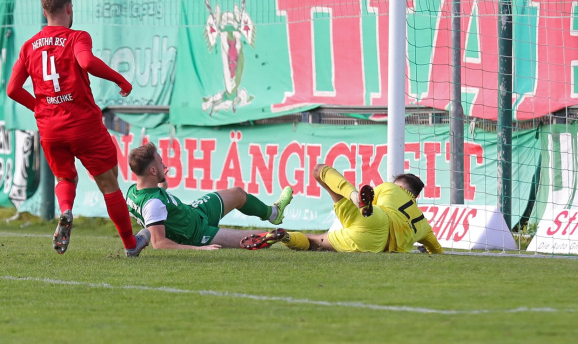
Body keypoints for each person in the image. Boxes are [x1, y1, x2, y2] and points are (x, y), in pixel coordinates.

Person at [6, 0, 150, 257]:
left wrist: (39, 107)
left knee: (64, 175)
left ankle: (66, 211)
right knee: (108, 183)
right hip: (83, 124)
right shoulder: (76, 37)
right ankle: (131, 245)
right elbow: (85, 62)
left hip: (50, 128)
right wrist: (120, 79)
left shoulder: (28, 47)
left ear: (44, 11)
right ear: (70, 9)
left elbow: (13, 89)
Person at [242, 163, 443, 254]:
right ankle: (285, 237)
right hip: (377, 246)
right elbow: (436, 250)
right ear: (415, 197)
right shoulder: (424, 224)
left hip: (376, 218)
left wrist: (364, 206)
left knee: (319, 171)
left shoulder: (390, 188)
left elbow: (376, 205)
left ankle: (354, 197)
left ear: (399, 186)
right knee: (316, 242)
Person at [126, 142, 293, 250]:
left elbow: (154, 213)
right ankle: (300, 240)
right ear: (153, 171)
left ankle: (274, 213)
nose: (164, 165)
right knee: (257, 238)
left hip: (195, 212)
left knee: (238, 193)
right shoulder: (153, 203)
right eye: (160, 163)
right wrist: (198, 249)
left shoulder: (134, 191)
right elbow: (160, 243)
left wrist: (161, 184)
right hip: (197, 235)